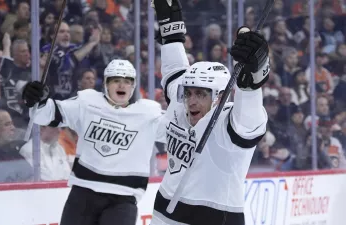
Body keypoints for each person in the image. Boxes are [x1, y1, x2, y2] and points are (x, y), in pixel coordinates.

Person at [150, 0, 269, 224]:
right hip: (163, 213)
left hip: (216, 218)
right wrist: (171, 31)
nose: (191, 101)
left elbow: (249, 125)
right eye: (189, 93)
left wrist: (251, 82)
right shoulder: (181, 101)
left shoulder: (228, 121)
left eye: (201, 94)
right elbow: (175, 71)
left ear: (220, 97)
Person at [22, 59, 166, 225]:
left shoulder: (149, 114)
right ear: (106, 83)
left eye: (127, 82)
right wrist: (35, 100)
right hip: (83, 194)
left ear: (133, 86)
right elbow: (46, 114)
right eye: (116, 81)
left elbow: (178, 132)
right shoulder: (87, 103)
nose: (121, 86)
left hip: (122, 199)